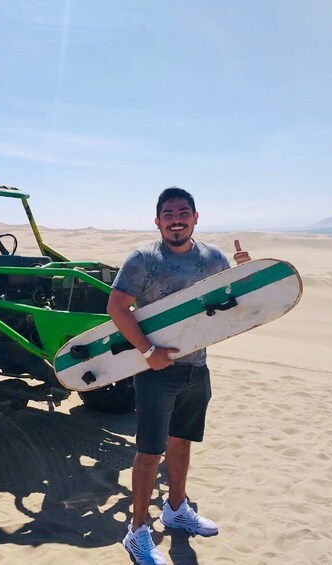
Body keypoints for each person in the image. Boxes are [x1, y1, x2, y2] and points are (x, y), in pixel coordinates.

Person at [107, 187, 250, 565]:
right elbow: (117, 308)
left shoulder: (213, 258)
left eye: (183, 212)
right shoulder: (142, 260)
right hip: (156, 371)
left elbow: (232, 300)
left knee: (182, 442)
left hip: (197, 367)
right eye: (168, 213)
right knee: (149, 451)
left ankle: (175, 509)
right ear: (158, 221)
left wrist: (248, 273)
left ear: (195, 217)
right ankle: (137, 532)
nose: (176, 219)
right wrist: (148, 353)